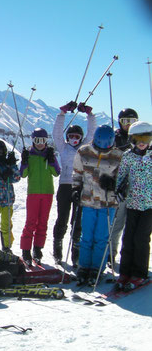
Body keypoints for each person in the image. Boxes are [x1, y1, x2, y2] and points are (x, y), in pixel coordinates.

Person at [72, 125, 123, 285]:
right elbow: (77, 173)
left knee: (102, 237)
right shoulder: (84, 152)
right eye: (100, 145)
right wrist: (75, 188)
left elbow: (123, 179)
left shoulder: (117, 156)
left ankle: (97, 267)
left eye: (106, 146)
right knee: (86, 236)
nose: (103, 149)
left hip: (107, 203)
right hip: (88, 200)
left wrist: (114, 183)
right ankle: (84, 266)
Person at [52, 102, 96, 266]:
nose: (74, 139)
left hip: (80, 187)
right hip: (64, 186)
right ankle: (57, 249)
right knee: (62, 218)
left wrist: (90, 115)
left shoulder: (85, 147)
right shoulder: (63, 148)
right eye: (71, 136)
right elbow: (56, 133)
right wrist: (62, 113)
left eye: (77, 137)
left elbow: (92, 132)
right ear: (67, 138)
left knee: (77, 220)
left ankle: (75, 252)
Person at [114, 121, 152, 291]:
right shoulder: (128, 156)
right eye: (138, 139)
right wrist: (119, 188)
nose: (142, 142)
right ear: (132, 140)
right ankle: (125, 271)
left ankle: (139, 273)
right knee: (128, 238)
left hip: (149, 205)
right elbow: (121, 175)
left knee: (141, 239)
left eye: (146, 138)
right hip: (132, 202)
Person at [20, 128, 60, 265]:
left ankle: (37, 250)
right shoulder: (29, 155)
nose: (40, 143)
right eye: (37, 140)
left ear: (46, 141)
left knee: (43, 222)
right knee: (30, 222)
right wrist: (24, 161)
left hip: (47, 193)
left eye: (43, 140)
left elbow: (56, 173)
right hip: (33, 193)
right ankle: (26, 251)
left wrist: (52, 160)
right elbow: (23, 174)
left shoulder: (49, 155)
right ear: (32, 140)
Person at [109, 108, 139, 265]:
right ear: (120, 122)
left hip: (138, 189)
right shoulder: (115, 138)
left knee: (133, 226)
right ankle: (111, 253)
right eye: (125, 121)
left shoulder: (141, 139)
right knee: (117, 224)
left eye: (132, 122)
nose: (128, 125)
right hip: (119, 188)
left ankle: (129, 256)